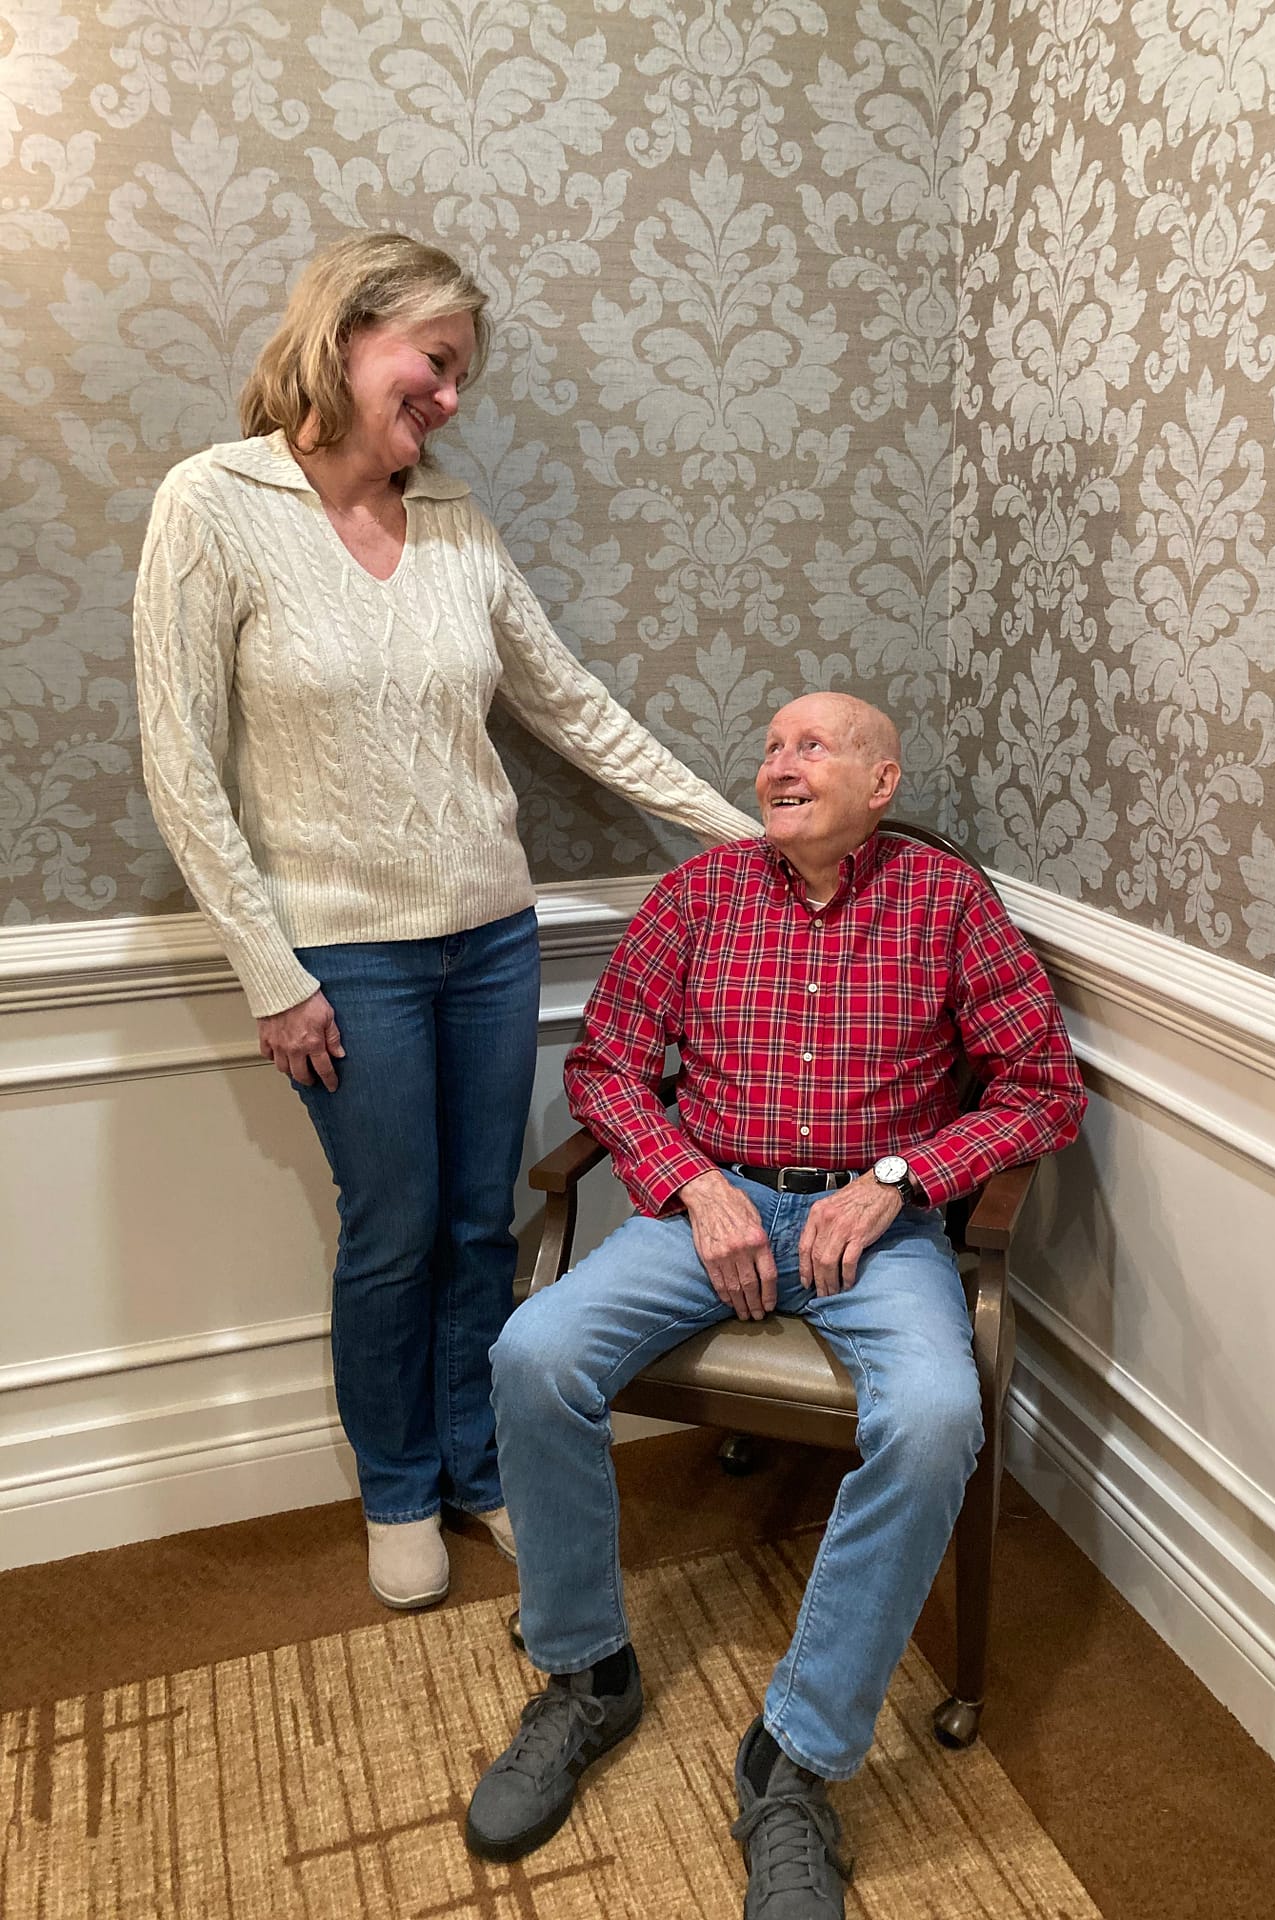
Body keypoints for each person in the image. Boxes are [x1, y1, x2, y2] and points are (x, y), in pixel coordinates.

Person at [131, 232, 756, 1615]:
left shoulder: (459, 523)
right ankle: (400, 1486)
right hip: (338, 954)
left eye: (465, 373)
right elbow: (180, 760)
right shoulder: (214, 503)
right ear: (348, 333)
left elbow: (572, 707)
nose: (452, 397)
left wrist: (751, 839)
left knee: (484, 1222)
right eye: (437, 361)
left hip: (488, 932)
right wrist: (269, 970)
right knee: (395, 1227)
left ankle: (482, 1467)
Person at [465, 693, 1086, 1915]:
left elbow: (1042, 1089)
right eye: (771, 748)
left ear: (881, 781)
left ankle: (793, 1757)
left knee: (929, 1423)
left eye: (815, 746)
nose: (780, 765)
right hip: (715, 1204)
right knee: (534, 1351)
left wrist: (901, 1180)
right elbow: (604, 1068)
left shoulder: (946, 904)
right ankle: (587, 1675)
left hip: (881, 1231)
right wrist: (693, 1184)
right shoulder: (697, 897)